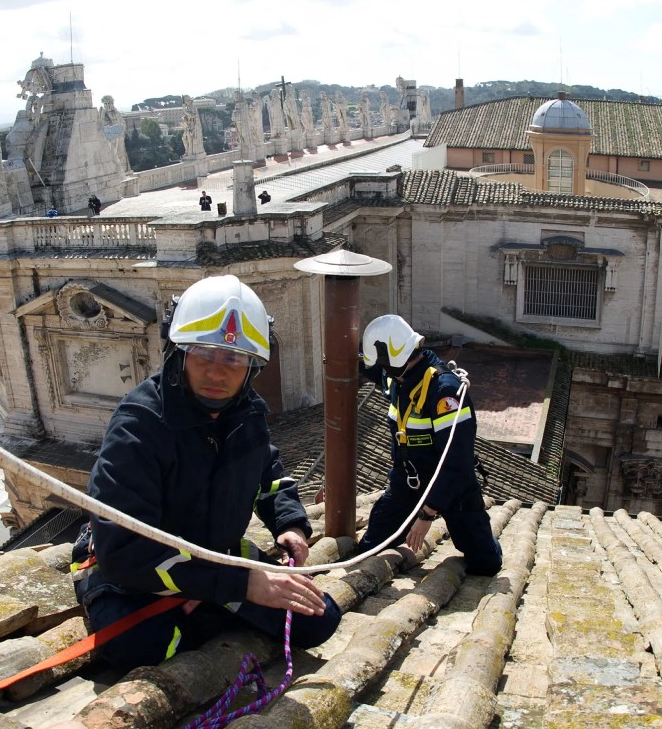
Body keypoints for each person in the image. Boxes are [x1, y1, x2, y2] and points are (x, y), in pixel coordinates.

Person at [75, 275, 341, 671]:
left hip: (218, 556)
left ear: (251, 366)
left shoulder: (246, 413)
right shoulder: (139, 426)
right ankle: (210, 608)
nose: (218, 373)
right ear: (178, 352)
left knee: (320, 618)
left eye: (234, 359)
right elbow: (124, 553)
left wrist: (290, 522)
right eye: (204, 354)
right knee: (136, 646)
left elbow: (266, 470)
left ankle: (205, 607)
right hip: (139, 571)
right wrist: (238, 586)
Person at [356, 314, 502, 576]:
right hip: (407, 482)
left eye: (385, 365)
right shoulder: (396, 376)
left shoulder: (445, 392)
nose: (384, 373)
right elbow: (371, 368)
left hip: (451, 486)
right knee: (369, 549)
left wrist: (427, 515)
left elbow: (457, 462)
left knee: (486, 564)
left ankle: (486, 545)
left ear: (395, 359)